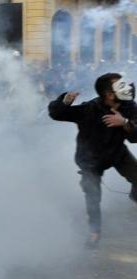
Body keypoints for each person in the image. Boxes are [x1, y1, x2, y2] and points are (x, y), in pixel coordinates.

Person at [48, 73, 137, 249]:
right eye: (120, 85)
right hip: (90, 161)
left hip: (117, 153)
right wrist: (65, 101)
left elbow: (135, 137)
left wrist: (125, 122)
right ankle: (94, 231)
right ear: (108, 94)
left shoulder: (129, 107)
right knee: (93, 197)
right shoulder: (90, 109)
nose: (127, 88)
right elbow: (56, 114)